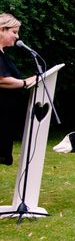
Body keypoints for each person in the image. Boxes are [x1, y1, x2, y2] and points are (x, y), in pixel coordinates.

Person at [0, 13, 37, 165]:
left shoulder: (3, 55)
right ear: (2, 29)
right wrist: (24, 82)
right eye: (14, 32)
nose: (17, 36)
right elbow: (1, 80)